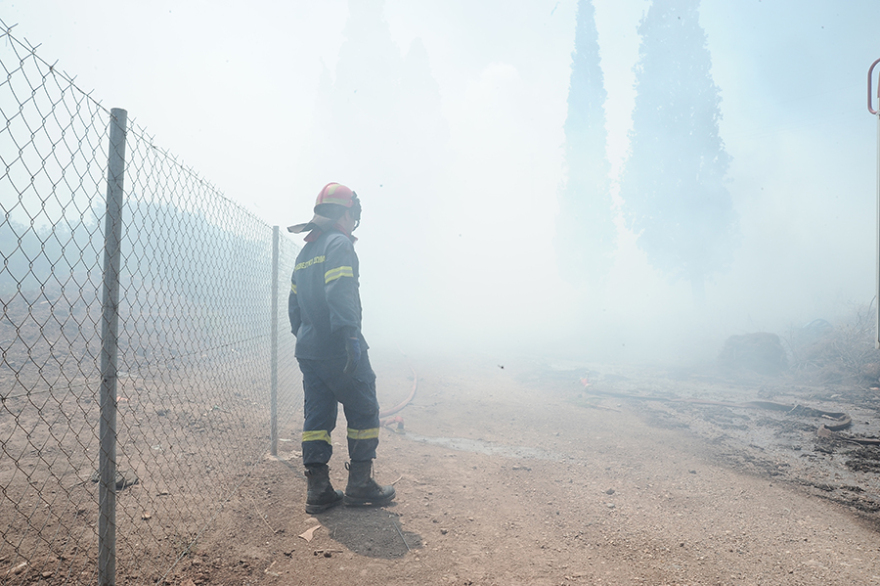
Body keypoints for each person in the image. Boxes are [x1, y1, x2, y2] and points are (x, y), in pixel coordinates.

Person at [287, 182, 396, 514]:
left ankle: (318, 489)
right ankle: (360, 484)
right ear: (347, 213)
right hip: (338, 346)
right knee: (364, 408)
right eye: (353, 215)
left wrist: (306, 337)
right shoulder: (339, 245)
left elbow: (294, 306)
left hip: (310, 350)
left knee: (317, 417)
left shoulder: (306, 251)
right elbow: (340, 290)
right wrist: (349, 336)